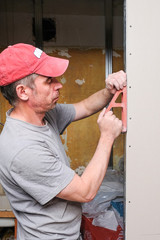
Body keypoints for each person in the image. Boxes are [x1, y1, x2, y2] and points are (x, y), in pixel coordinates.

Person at [0, 43, 126, 240]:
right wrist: (107, 137)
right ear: (23, 92)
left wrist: (110, 90)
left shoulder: (44, 115)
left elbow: (84, 106)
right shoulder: (23, 149)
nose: (58, 84)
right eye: (48, 80)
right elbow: (85, 192)